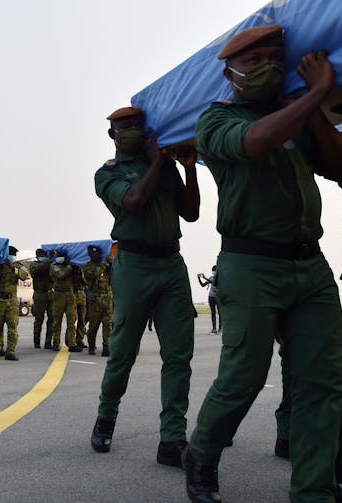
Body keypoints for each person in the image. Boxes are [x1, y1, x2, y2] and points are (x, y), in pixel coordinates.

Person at [183, 25, 342, 503]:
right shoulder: (215, 119)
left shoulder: (295, 116)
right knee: (244, 375)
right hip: (250, 264)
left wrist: (314, 112)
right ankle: (201, 452)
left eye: (274, 60)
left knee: (324, 381)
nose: (266, 69)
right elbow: (254, 142)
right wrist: (316, 93)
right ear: (230, 73)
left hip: (310, 266)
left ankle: (314, 486)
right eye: (254, 61)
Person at [91, 105, 199, 472]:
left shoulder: (167, 166)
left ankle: (172, 438)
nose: (132, 131)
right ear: (112, 135)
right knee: (123, 350)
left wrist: (186, 168)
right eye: (125, 127)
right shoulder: (107, 174)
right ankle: (106, 418)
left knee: (179, 354)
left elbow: (192, 213)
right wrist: (156, 162)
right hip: (134, 266)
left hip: (171, 263)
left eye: (137, 125)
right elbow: (134, 201)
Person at [0, 246, 29, 361]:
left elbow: (25, 276)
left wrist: (12, 268)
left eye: (14, 255)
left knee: (12, 328)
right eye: (11, 254)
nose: (12, 257)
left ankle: (10, 351)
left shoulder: (17, 266)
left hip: (11, 301)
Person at [82, 245, 113, 356]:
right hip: (94, 300)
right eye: (94, 253)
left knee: (108, 325)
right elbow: (95, 274)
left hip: (107, 299)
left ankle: (106, 347)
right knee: (93, 326)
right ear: (90, 255)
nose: (96, 255)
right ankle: (91, 346)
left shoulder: (107, 266)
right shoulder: (87, 267)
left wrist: (111, 263)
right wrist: (105, 263)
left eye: (98, 253)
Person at [49, 250, 80, 352]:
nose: (59, 258)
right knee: (57, 321)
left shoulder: (70, 267)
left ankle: (72, 344)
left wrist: (76, 268)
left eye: (62, 256)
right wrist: (70, 266)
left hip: (70, 295)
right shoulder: (54, 266)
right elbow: (60, 275)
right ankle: (55, 343)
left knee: (71, 321)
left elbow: (78, 280)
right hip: (58, 295)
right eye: (59, 256)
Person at [30, 248, 54, 349]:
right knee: (39, 319)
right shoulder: (34, 265)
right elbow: (39, 270)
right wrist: (49, 260)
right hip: (39, 294)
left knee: (51, 319)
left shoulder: (50, 264)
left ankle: (48, 342)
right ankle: (37, 341)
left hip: (50, 294)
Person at [197, 266, 221, 334]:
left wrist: (204, 277)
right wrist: (199, 279)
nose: (213, 272)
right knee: (213, 313)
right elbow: (203, 285)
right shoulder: (210, 277)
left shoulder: (220, 278)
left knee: (220, 313)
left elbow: (213, 282)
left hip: (218, 297)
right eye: (213, 270)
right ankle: (214, 329)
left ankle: (220, 329)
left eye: (214, 270)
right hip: (211, 297)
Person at [72, 264, 88, 349]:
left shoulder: (83, 270)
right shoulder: (70, 268)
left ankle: (79, 340)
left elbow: (86, 282)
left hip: (81, 293)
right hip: (72, 293)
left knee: (82, 319)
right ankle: (70, 340)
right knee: (72, 319)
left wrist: (81, 273)